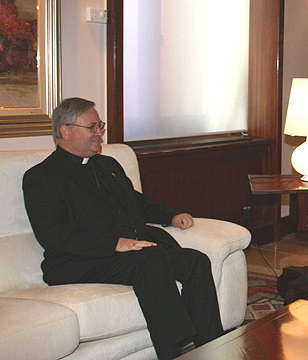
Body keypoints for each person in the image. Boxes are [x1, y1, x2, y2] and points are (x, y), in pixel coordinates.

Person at [22, 98, 224, 359]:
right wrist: (113, 243)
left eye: (100, 126)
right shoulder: (42, 177)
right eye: (92, 127)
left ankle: (213, 347)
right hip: (79, 260)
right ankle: (173, 351)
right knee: (151, 259)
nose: (99, 133)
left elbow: (137, 203)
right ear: (66, 130)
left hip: (130, 251)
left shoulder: (108, 165)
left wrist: (171, 215)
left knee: (194, 260)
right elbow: (54, 236)